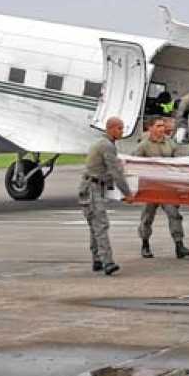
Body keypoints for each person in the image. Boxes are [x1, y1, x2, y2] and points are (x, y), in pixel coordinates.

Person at [135, 116, 189, 259]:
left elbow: (180, 162)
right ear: (150, 128)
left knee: (175, 215)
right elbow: (135, 164)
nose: (161, 128)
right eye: (158, 126)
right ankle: (145, 244)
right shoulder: (143, 145)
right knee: (147, 218)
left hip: (167, 187)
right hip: (150, 188)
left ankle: (179, 245)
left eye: (162, 125)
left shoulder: (170, 143)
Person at [80, 117, 134, 276]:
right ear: (111, 128)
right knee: (101, 225)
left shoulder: (102, 144)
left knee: (95, 225)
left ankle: (97, 259)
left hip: (91, 187)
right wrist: (127, 193)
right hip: (92, 188)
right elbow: (115, 172)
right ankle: (107, 262)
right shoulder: (107, 146)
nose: (122, 132)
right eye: (120, 129)